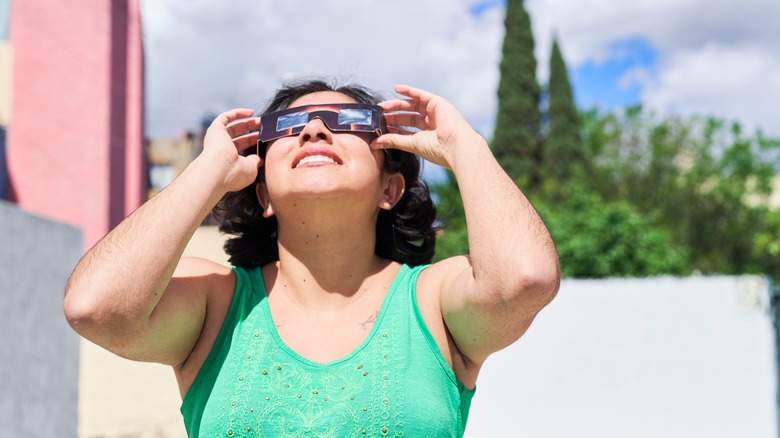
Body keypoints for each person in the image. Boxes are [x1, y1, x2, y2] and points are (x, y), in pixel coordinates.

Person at [64, 78, 560, 437]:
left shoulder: (432, 301)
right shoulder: (216, 306)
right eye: (288, 126)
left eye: (348, 122)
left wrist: (465, 145)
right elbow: (95, 307)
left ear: (390, 188)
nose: (315, 131)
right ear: (263, 195)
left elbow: (524, 279)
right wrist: (207, 171)